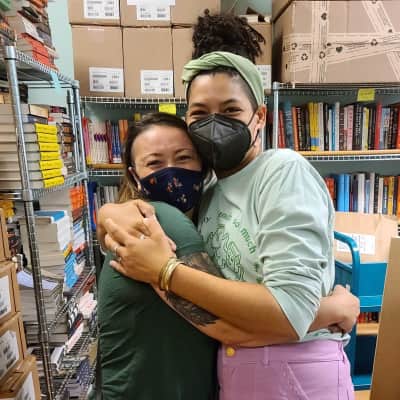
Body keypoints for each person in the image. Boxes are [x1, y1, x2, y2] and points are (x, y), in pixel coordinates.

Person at [98, 14, 358, 400]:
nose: (215, 125)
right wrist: (109, 214)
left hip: (294, 372)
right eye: (200, 114)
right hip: (240, 373)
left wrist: (165, 271)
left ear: (259, 117)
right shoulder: (209, 189)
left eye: (231, 111)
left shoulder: (281, 170)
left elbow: (289, 312)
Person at [97, 113, 220, 400]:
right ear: (134, 176)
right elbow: (230, 319)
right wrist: (318, 314)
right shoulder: (162, 220)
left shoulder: (199, 216)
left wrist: (105, 213)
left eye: (183, 158)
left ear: (202, 164)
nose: (172, 172)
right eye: (154, 163)